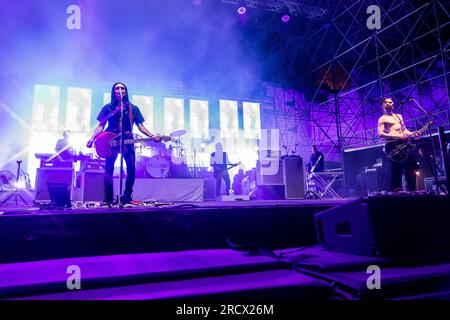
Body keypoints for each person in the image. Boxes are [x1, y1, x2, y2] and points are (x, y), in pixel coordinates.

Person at [86, 82, 159, 204]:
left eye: (122, 88)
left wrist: (152, 136)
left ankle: (127, 197)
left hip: (127, 141)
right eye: (117, 88)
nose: (120, 90)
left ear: (126, 91)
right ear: (113, 92)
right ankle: (108, 198)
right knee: (108, 169)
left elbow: (140, 125)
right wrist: (92, 138)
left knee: (131, 169)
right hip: (110, 141)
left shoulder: (133, 108)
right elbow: (101, 126)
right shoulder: (108, 108)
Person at [378, 97, 419, 192]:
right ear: (384, 104)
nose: (392, 103)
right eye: (390, 102)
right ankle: (396, 194)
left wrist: (412, 133)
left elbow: (405, 131)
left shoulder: (399, 116)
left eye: (392, 102)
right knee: (396, 170)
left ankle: (412, 191)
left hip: (404, 145)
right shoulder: (382, 119)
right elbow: (380, 134)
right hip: (394, 146)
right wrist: (397, 136)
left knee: (411, 168)